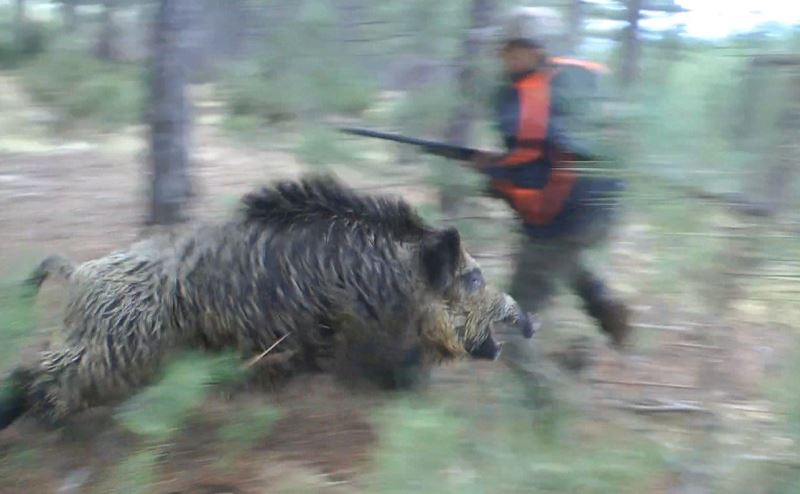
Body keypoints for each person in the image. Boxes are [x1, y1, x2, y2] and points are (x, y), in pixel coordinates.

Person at [470, 6, 631, 354]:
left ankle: (551, 404)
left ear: (536, 49)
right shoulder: (580, 75)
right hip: (602, 208)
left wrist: (492, 176)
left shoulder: (526, 95)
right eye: (506, 48)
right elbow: (556, 150)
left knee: (511, 332)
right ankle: (602, 303)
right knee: (562, 257)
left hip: (564, 217)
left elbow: (529, 175)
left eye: (514, 48)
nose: (505, 56)